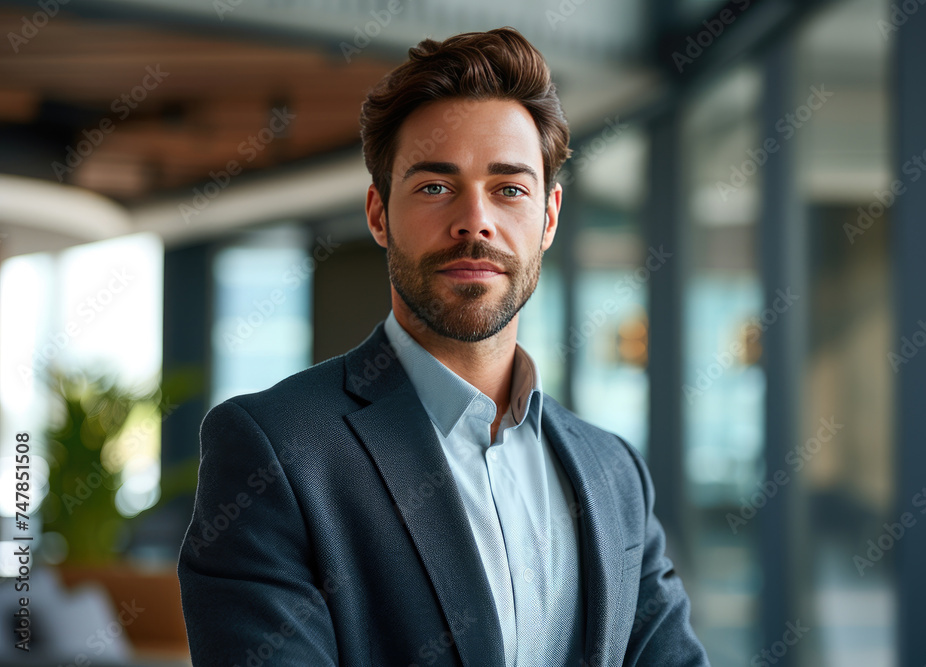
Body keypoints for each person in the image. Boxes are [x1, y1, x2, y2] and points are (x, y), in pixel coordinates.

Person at [177, 26, 708, 667]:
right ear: (378, 213)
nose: (474, 220)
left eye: (509, 189)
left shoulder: (615, 471)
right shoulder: (274, 452)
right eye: (435, 186)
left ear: (549, 217)